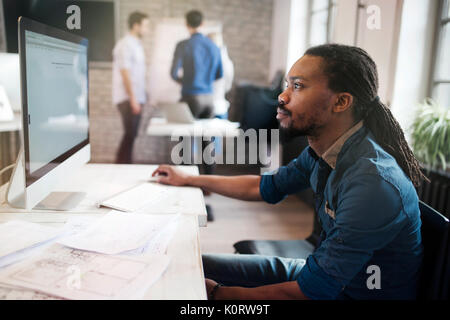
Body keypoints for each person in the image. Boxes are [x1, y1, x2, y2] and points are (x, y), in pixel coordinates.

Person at [152, 44, 425, 300]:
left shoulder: (373, 183)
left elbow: (312, 291)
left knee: (190, 289)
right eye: (287, 85)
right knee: (187, 265)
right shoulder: (324, 151)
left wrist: (218, 294)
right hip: (320, 275)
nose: (282, 97)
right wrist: (188, 179)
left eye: (298, 86)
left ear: (341, 102)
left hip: (351, 293)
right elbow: (264, 187)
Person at [170, 10, 223, 119]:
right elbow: (219, 74)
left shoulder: (183, 45)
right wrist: (205, 81)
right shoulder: (214, 47)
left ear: (186, 24)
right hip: (209, 98)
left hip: (190, 97)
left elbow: (174, 74)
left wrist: (185, 81)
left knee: (185, 134)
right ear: (202, 23)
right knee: (205, 135)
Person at [112, 11, 149, 164]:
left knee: (131, 135)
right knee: (130, 134)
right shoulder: (125, 45)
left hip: (136, 97)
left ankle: (124, 165)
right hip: (128, 98)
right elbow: (125, 73)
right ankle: (121, 166)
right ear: (136, 25)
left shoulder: (136, 45)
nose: (148, 29)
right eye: (146, 26)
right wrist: (133, 99)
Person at [207, 32, 234, 119]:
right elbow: (228, 87)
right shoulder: (227, 62)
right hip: (220, 106)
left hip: (213, 108)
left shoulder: (210, 61)